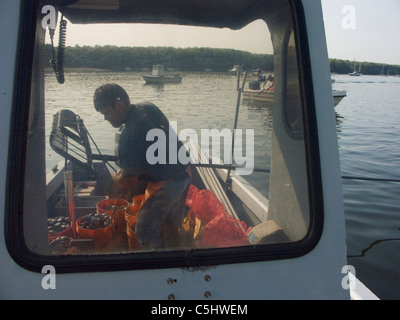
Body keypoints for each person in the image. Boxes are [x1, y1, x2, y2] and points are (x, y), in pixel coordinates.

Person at [93, 83, 190, 250]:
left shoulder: (128, 136)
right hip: (185, 169)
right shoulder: (147, 106)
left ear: (119, 104)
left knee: (144, 231)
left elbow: (129, 182)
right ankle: (177, 251)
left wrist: (117, 176)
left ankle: (159, 266)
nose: (106, 118)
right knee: (170, 221)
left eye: (107, 112)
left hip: (168, 183)